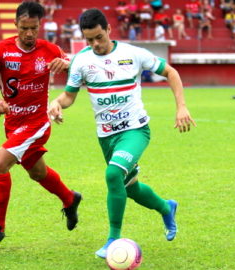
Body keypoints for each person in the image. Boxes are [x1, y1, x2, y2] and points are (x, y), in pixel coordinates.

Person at [48, 8, 195, 258]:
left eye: (99, 38)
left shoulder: (133, 54)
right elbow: (69, 96)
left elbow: (171, 72)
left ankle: (112, 240)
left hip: (135, 130)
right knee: (129, 187)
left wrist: (181, 107)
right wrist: (56, 103)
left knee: (113, 173)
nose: (95, 44)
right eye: (89, 40)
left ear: (108, 30)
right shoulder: (81, 61)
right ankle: (166, 207)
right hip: (106, 136)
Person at [0, 1, 82, 246]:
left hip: (37, 122)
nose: (29, 34)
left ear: (39, 26)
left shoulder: (50, 49)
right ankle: (69, 199)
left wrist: (67, 64)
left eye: (34, 28)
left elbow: (80, 69)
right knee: (37, 172)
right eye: (24, 28)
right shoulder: (1, 50)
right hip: (13, 122)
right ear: (15, 25)